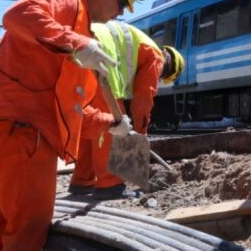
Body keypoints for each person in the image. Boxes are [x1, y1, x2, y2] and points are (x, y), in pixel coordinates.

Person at [0, 0, 152, 251]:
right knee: (25, 233)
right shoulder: (66, 0)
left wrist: (113, 125)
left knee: (0, 228)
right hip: (23, 139)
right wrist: (77, 44)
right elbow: (16, 15)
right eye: (120, 4)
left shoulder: (80, 34)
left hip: (10, 137)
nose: (120, 14)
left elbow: (72, 112)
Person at [69, 21, 185, 199]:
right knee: (115, 122)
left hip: (85, 50)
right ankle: (110, 184)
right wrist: (140, 134)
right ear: (169, 70)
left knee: (94, 124)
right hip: (100, 61)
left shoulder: (143, 46)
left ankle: (83, 181)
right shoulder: (156, 58)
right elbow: (143, 100)